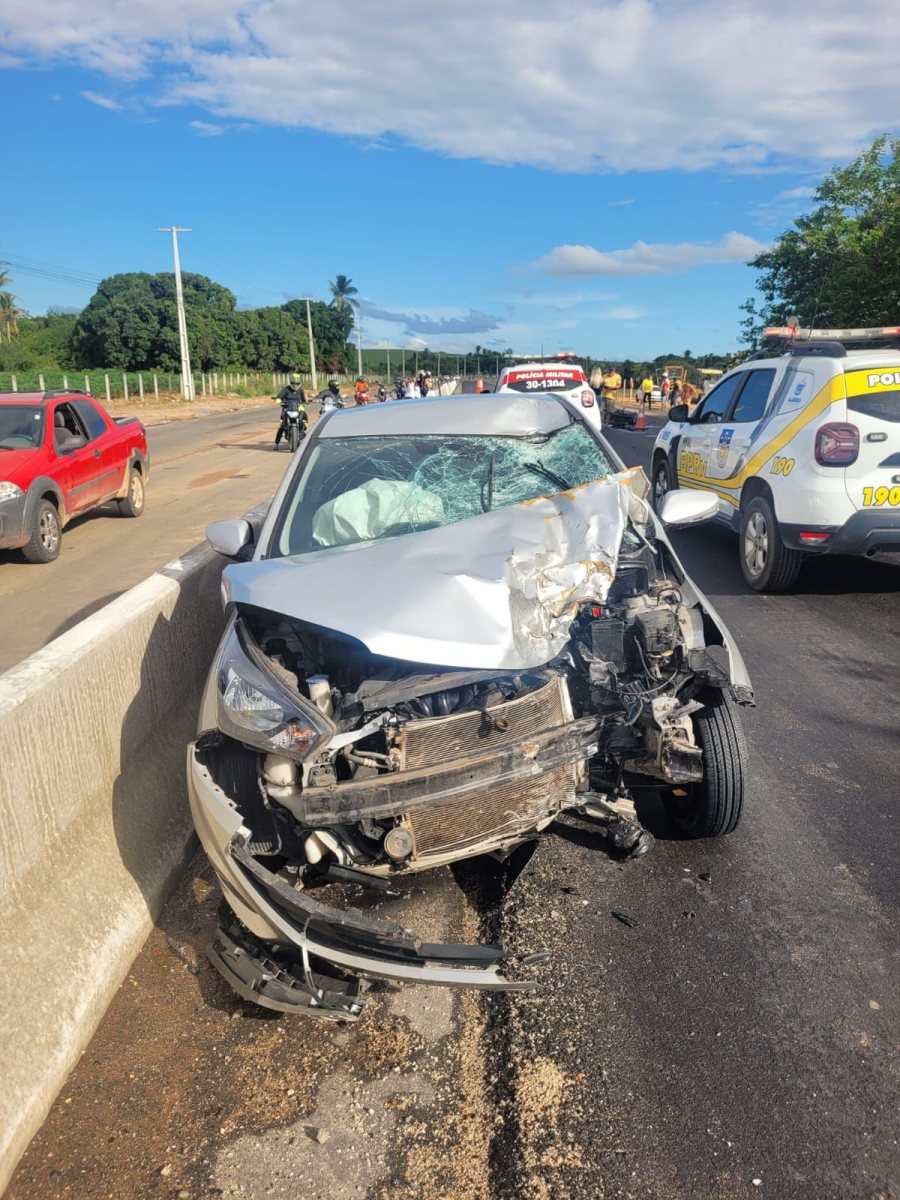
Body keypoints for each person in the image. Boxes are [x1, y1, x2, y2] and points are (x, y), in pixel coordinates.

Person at [273, 373, 308, 449]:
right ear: (291, 382)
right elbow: (279, 397)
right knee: (282, 426)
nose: (295, 385)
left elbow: (304, 400)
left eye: (297, 384)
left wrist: (305, 403)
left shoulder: (300, 390)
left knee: (304, 415)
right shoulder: (286, 389)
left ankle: (302, 430)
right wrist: (278, 400)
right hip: (287, 409)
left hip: (297, 409)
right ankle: (276, 444)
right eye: (294, 384)